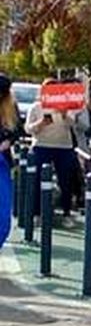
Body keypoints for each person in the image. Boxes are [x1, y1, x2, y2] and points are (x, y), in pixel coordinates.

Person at [24, 79, 85, 219]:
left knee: (66, 181)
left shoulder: (67, 106)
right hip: (41, 146)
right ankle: (37, 213)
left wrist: (64, 114)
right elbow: (28, 129)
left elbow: (72, 124)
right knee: (38, 179)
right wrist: (41, 123)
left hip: (64, 147)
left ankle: (66, 213)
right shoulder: (35, 107)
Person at [0, 76, 22, 250]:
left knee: (3, 214)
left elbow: (17, 130)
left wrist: (7, 142)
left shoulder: (10, 107)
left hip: (2, 162)